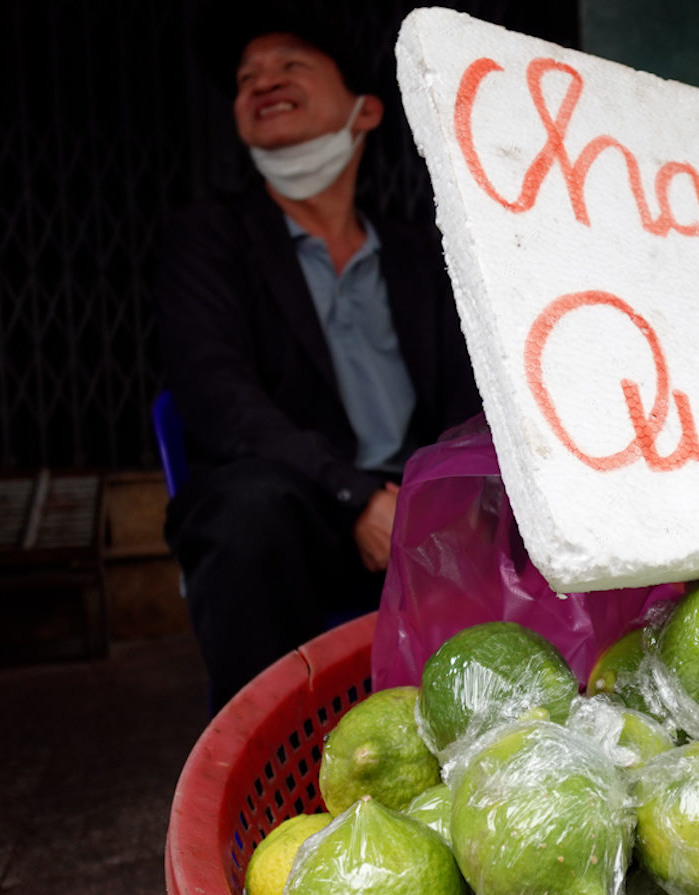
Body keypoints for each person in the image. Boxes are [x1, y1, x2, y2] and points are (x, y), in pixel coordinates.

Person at [162, 7, 480, 709]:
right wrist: (355, 496)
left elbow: (470, 391)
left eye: (290, 66)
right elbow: (218, 396)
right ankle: (271, 769)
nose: (263, 83)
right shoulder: (213, 238)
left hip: (423, 513)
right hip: (305, 515)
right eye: (248, 78)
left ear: (364, 112)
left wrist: (432, 503)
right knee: (243, 511)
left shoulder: (417, 256)